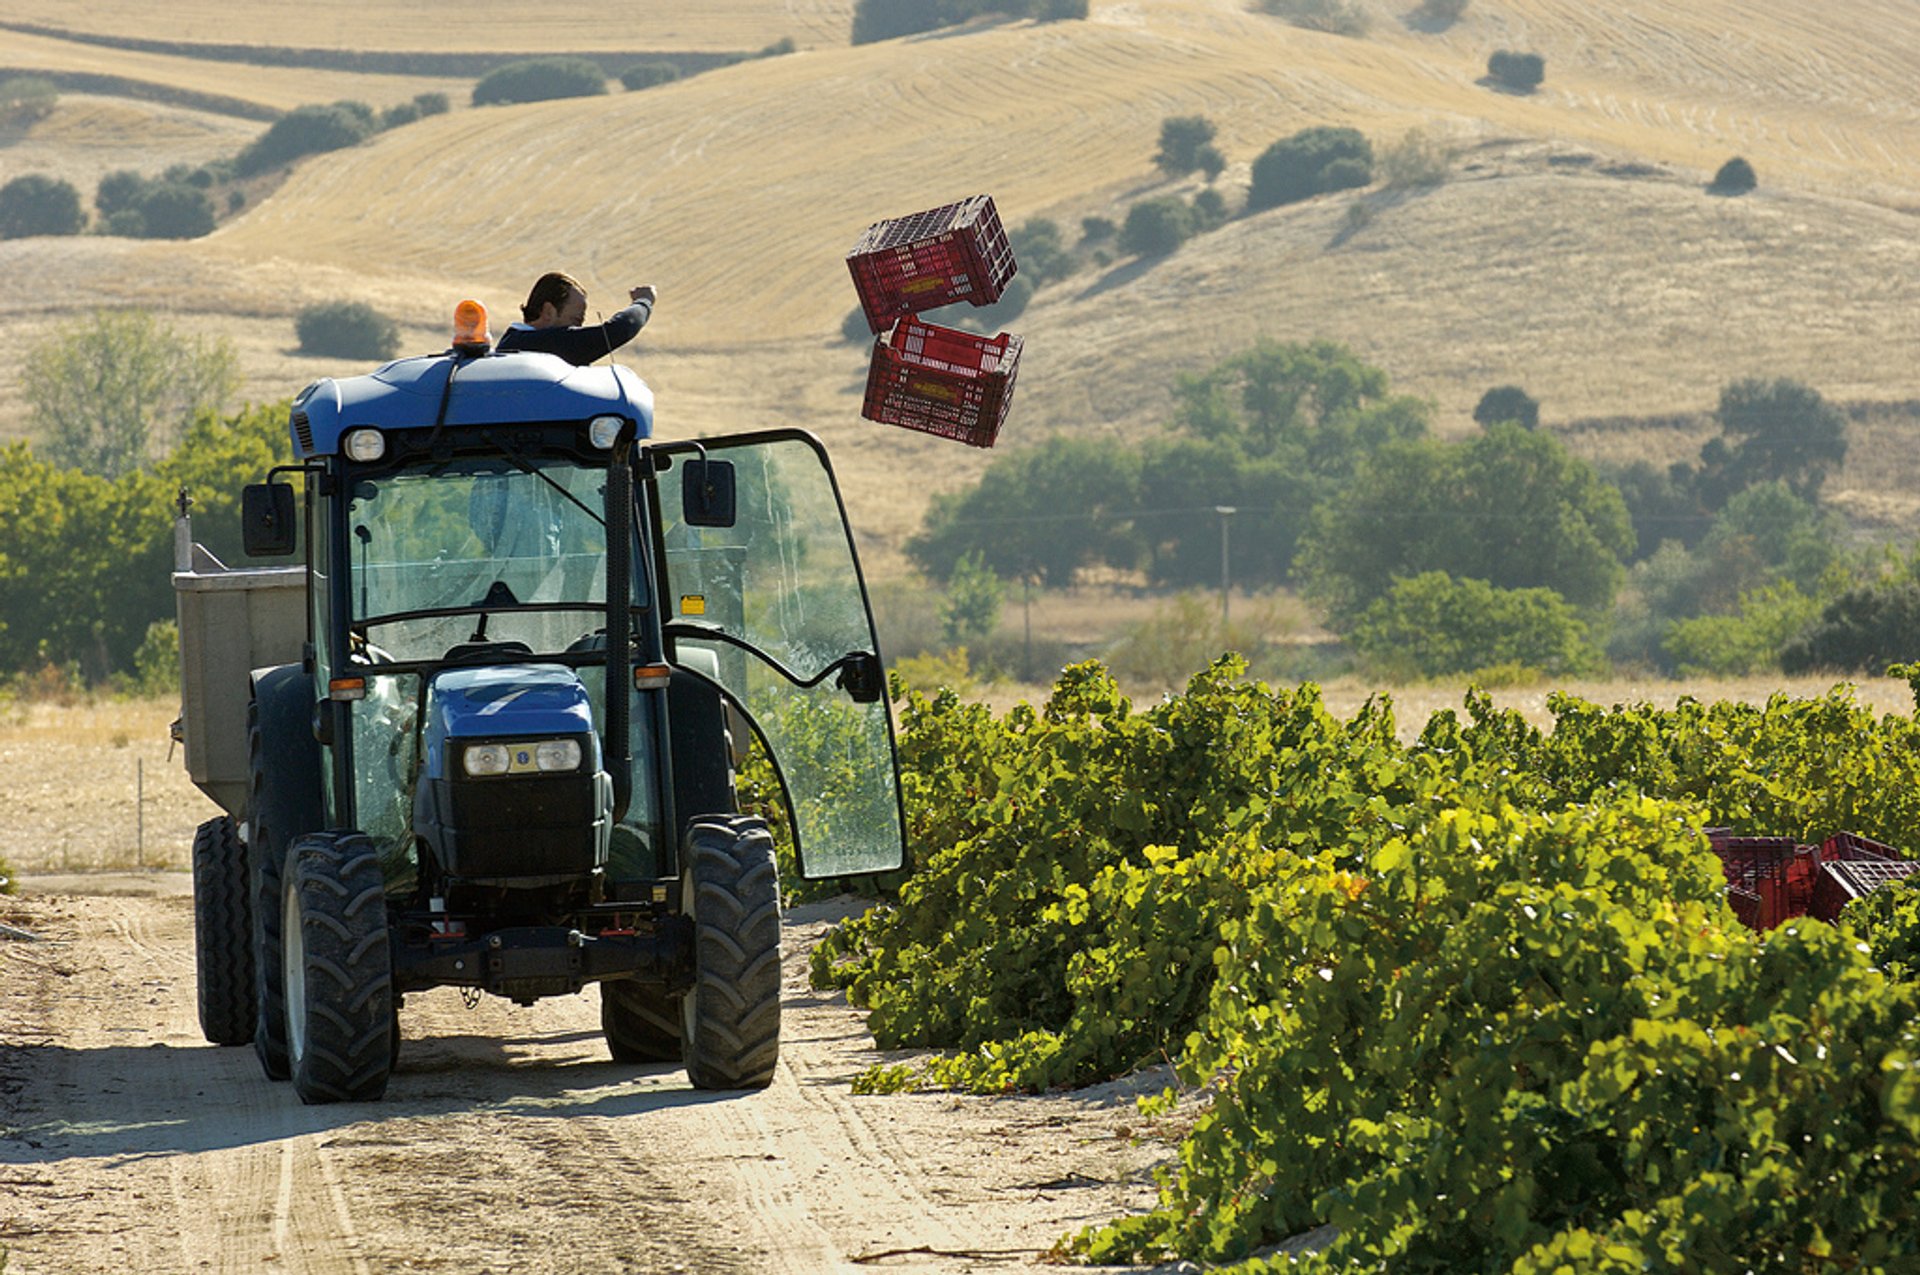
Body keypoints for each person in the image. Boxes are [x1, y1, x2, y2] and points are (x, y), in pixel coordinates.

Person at [495, 271, 655, 366]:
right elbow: (617, 330)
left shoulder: (514, 341)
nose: (577, 330)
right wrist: (644, 302)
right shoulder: (537, 344)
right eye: (576, 320)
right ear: (549, 311)